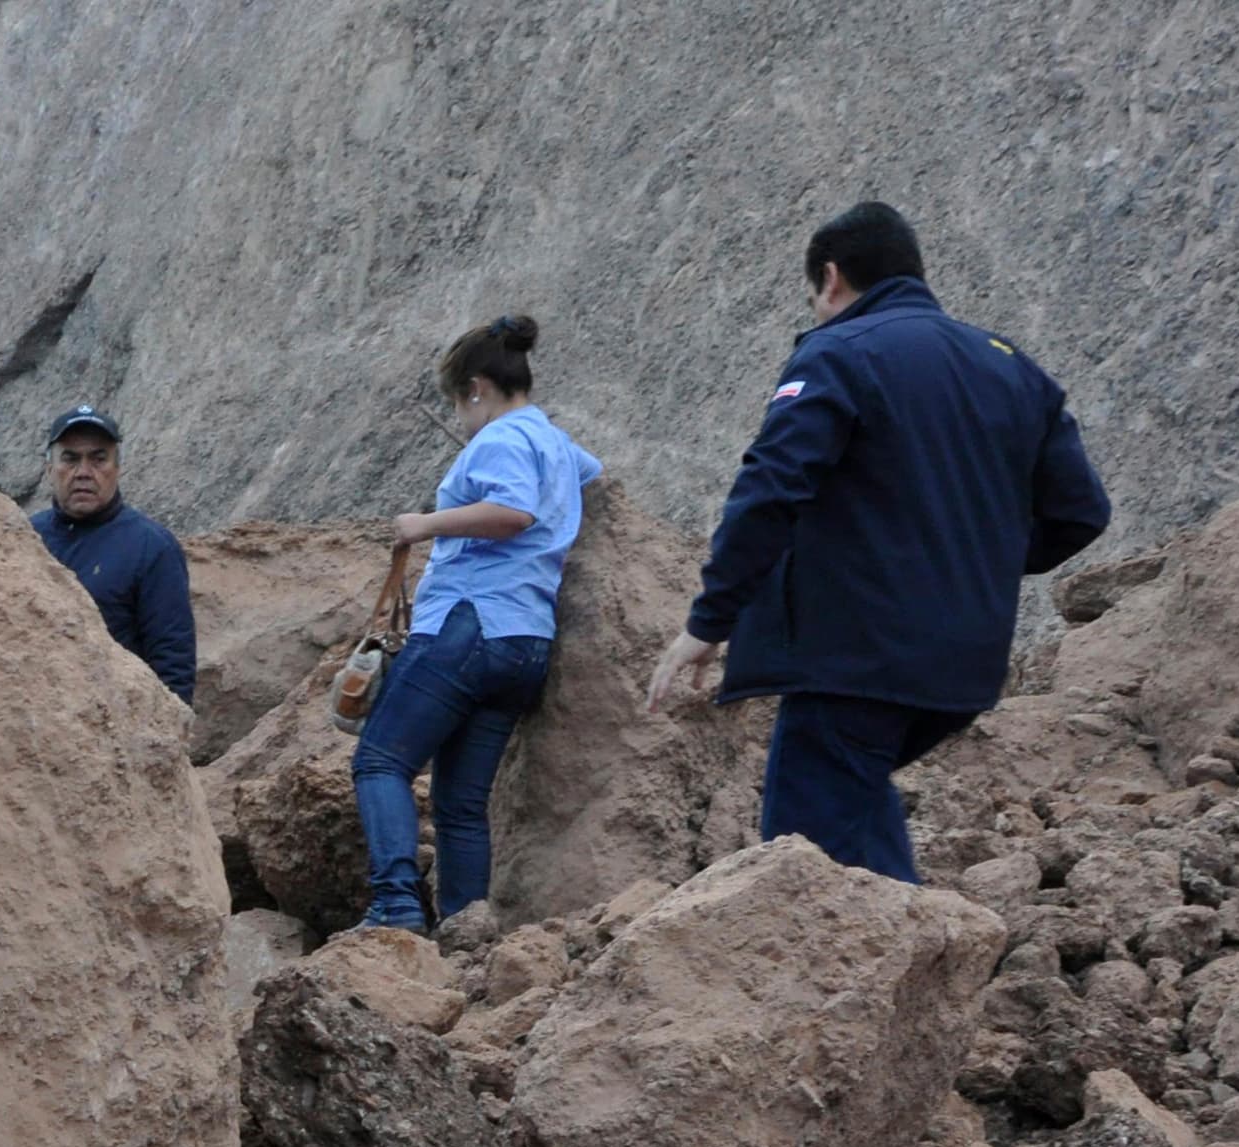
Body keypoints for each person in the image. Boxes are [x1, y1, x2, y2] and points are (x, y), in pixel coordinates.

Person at [646, 201, 1113, 881]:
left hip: (855, 659)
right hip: (964, 666)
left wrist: (708, 620)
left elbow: (770, 491)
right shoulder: (1015, 370)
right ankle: (915, 958)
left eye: (815, 295)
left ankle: (838, 978)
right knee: (858, 812)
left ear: (830, 278)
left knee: (806, 867)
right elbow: (1083, 512)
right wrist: (974, 563)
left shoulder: (838, 352)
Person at [348, 314, 601, 930]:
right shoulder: (552, 443)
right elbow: (591, 471)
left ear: (477, 389)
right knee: (461, 802)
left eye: (459, 403)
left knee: (379, 761)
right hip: (524, 643)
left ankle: (395, 907)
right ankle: (465, 927)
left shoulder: (498, 438)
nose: (462, 416)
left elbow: (512, 511)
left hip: (468, 625)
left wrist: (424, 524)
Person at [30, 406, 196, 702]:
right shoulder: (25, 538)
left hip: (112, 726)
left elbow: (173, 665)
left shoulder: (152, 547)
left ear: (117, 468)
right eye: (70, 458)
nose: (83, 473)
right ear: (48, 468)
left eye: (98, 459)